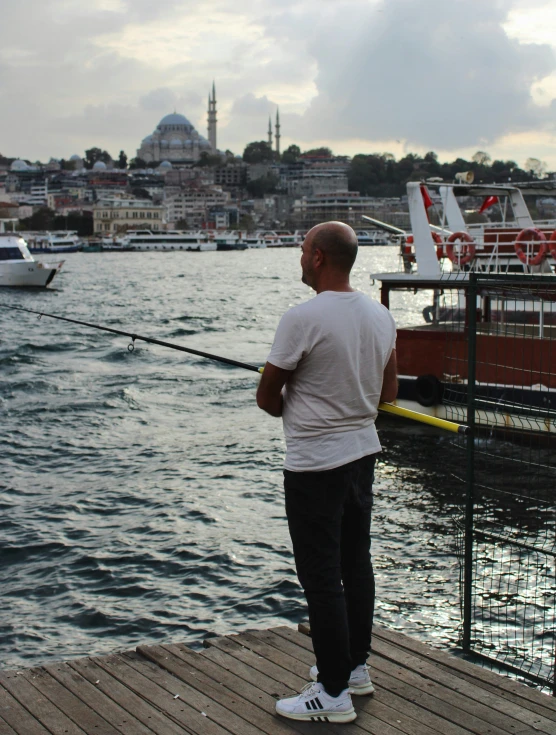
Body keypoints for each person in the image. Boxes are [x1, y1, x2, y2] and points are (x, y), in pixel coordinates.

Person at [256, 221, 397, 724]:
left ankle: (332, 692)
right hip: (363, 456)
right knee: (355, 566)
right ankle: (355, 670)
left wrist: (295, 403)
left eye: (301, 249)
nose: (299, 257)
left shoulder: (302, 318)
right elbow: (387, 395)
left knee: (321, 577)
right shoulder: (381, 317)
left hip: (316, 463)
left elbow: (267, 396)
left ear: (317, 257)